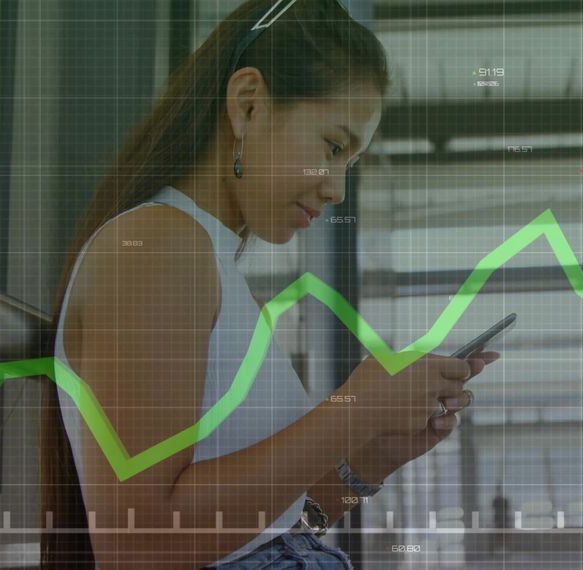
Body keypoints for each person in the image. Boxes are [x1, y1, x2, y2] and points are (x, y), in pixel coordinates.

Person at [40, 0, 498, 567]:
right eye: (333, 147)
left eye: (348, 165)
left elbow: (280, 529)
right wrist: (352, 411)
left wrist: (369, 460)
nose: (336, 190)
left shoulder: (212, 271)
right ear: (249, 104)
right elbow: (141, 545)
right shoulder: (158, 247)